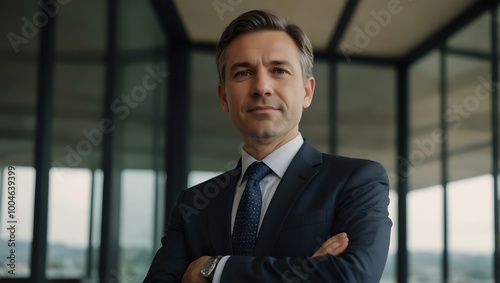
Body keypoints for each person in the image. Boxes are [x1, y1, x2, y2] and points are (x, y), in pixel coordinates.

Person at [144, 9, 392, 283]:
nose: (261, 86)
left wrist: (215, 269)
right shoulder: (193, 204)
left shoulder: (356, 181)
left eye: (279, 70)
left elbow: (352, 276)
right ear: (224, 97)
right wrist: (306, 271)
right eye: (243, 72)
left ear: (307, 92)